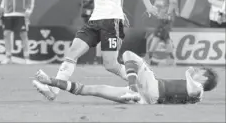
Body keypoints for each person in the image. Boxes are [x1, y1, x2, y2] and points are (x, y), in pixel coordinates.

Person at [33, 0, 158, 101]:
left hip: (110, 22)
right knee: (72, 52)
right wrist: (120, 8)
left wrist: (148, 5)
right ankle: (53, 91)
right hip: (94, 21)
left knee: (110, 65)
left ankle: (145, 85)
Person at [33, 50, 218, 105]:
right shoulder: (196, 95)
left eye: (202, 71)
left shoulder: (198, 90)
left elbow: (194, 89)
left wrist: (189, 73)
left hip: (153, 87)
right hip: (147, 99)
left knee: (129, 54)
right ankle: (51, 82)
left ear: (205, 78)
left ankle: (132, 88)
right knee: (94, 89)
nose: (198, 71)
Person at [147, 0, 178, 65]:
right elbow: (159, 1)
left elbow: (173, 2)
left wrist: (169, 14)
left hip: (166, 17)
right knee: (165, 38)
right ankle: (172, 60)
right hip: (160, 16)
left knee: (157, 35)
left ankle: (149, 56)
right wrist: (153, 9)